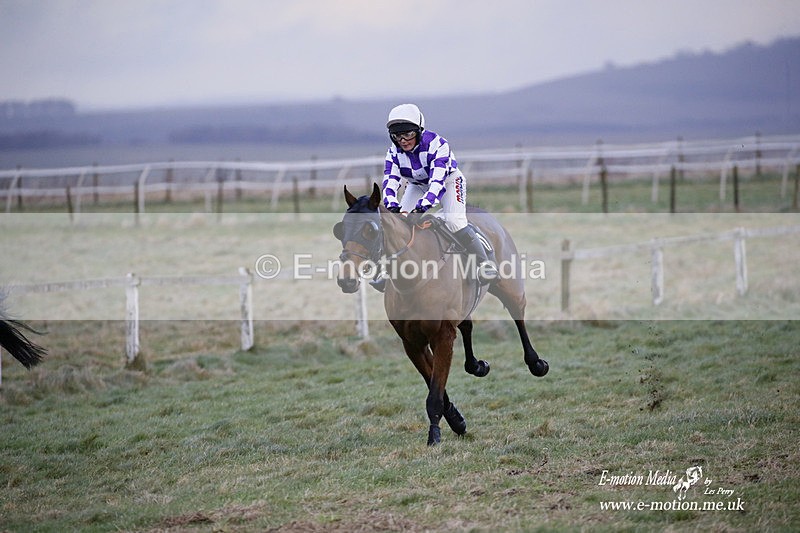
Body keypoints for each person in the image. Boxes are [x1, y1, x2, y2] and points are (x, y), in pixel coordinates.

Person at [379, 103, 497, 289]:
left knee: (454, 222)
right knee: (399, 223)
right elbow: (391, 180)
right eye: (397, 135)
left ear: (419, 131)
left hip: (448, 181)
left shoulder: (437, 144)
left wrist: (421, 208)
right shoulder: (393, 153)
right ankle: (389, 271)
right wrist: (392, 204)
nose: (403, 140)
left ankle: (484, 263)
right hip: (417, 185)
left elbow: (437, 182)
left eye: (408, 134)